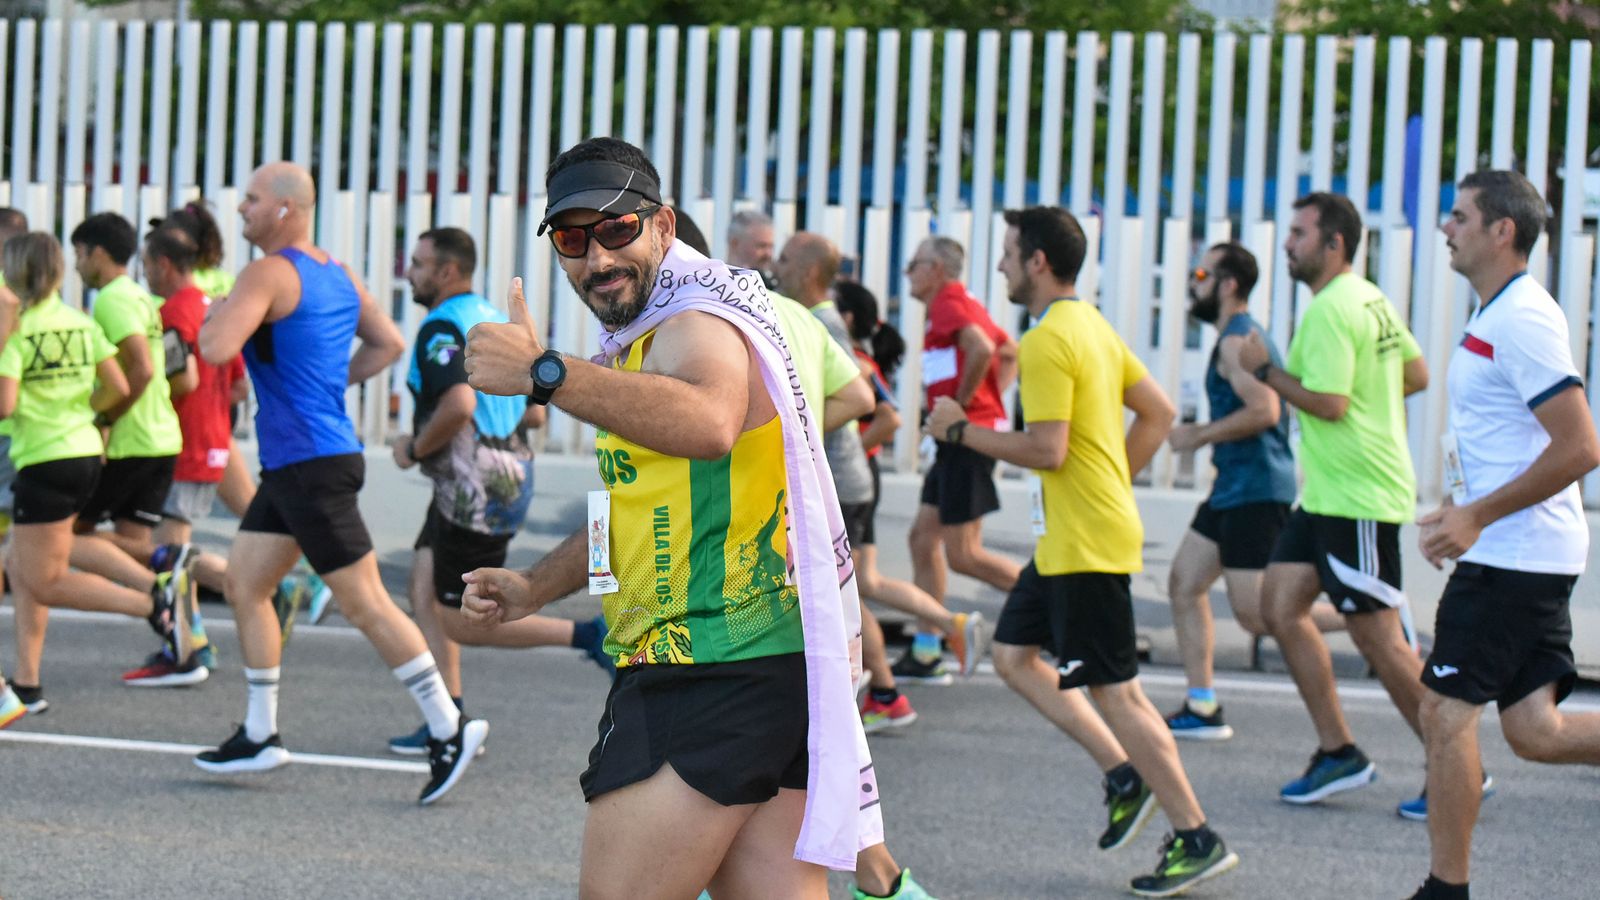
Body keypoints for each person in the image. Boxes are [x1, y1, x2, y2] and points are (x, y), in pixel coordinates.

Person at [460, 137, 878, 896]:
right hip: (761, 668)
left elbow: (711, 421)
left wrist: (543, 372)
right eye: (573, 240)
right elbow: (631, 504)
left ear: (663, 226)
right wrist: (533, 587)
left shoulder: (695, 323)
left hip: (707, 669)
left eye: (616, 229)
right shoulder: (639, 340)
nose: (597, 257)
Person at [928, 206, 1238, 896]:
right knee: (1012, 657)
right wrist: (1112, 480)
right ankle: (1126, 776)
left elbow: (1048, 449)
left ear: (1037, 262)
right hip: (1069, 539)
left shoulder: (1045, 341)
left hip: (1085, 543)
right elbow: (1159, 413)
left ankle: (1196, 835)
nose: (1002, 266)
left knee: (1118, 693)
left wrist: (959, 431)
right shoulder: (1092, 326)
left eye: (1009, 253)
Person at [192, 162, 486, 806]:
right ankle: (261, 732)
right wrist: (327, 385)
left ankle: (448, 725)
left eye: (251, 199)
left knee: (366, 602)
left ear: (285, 209)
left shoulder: (266, 273)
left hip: (309, 462)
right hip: (304, 459)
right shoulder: (338, 273)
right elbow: (387, 344)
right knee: (245, 583)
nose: (240, 209)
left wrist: (214, 312)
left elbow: (214, 348)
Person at [678, 209, 935, 900]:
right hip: (800, 540)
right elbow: (858, 396)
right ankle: (882, 879)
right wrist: (795, 436)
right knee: (816, 724)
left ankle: (878, 877)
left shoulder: (697, 326)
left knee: (764, 741)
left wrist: (775, 440)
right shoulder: (786, 313)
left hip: (731, 565)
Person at [1404, 171, 1600, 900]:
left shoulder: (1523, 319)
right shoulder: (1495, 312)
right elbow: (1507, 436)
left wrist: (1477, 516)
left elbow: (1581, 446)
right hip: (1510, 548)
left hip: (1516, 555)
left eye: (1459, 217)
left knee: (1443, 711)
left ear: (1502, 231)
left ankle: (1445, 890)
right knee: (1535, 733)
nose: (1445, 229)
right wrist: (1461, 509)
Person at [1236, 192, 1431, 806]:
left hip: (1358, 496)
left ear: (1334, 243)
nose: (1288, 244)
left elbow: (1330, 403)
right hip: (1326, 496)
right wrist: (1373, 398)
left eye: (1299, 233)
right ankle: (1339, 752)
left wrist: (1265, 372)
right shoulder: (1369, 297)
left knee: (1380, 642)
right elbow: (1415, 374)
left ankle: (1457, 764)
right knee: (1279, 605)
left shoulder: (1330, 311)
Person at [386, 226, 610, 755]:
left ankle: (587, 636)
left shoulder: (442, 326)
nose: (408, 274)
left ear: (446, 271)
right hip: (492, 477)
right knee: (423, 586)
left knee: (460, 619)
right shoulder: (491, 319)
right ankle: (447, 716)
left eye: (417, 264)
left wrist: (414, 448)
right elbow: (534, 413)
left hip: (475, 489)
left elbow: (459, 405)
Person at [0, 232, 198, 707]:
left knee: (44, 578)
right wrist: (82, 411)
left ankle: (152, 604)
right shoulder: (80, 321)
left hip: (43, 457)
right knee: (25, 567)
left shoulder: (18, 332)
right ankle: (27, 683)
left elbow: (5, 406)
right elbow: (116, 384)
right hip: (85, 449)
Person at [1163, 242, 1338, 740]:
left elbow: (1265, 410)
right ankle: (1201, 706)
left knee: (1259, 615)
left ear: (1228, 285)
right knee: (1184, 582)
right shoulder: (1237, 337)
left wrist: (1199, 435)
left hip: (1255, 490)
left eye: (1201, 275)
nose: (1192, 283)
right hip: (1233, 488)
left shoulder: (1237, 341)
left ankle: (1370, 616)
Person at [118, 224, 246, 686]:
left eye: (147, 265)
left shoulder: (173, 312)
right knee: (171, 552)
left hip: (184, 441)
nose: (145, 274)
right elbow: (238, 384)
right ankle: (195, 642)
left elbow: (183, 378)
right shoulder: (215, 308)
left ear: (164, 264)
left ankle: (192, 644)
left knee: (171, 556)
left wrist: (156, 400)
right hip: (212, 439)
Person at [902, 235, 1020, 684]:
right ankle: (927, 648)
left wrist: (963, 408)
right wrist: (988, 401)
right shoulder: (958, 302)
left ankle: (1053, 604)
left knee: (964, 555)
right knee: (921, 539)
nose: (908, 273)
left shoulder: (950, 302)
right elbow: (1008, 352)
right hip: (956, 438)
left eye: (914, 264)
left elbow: (985, 349)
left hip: (963, 439)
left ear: (935, 269)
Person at [725, 209, 777, 285]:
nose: (768, 254)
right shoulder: (713, 283)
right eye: (761, 246)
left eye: (771, 247)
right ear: (735, 244)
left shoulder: (774, 285)